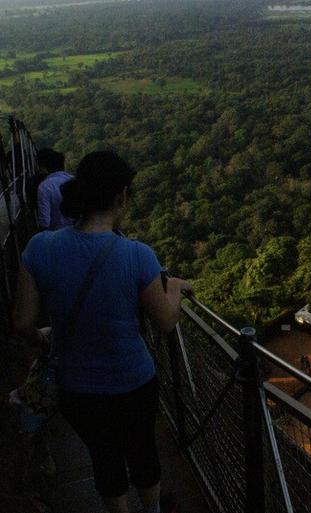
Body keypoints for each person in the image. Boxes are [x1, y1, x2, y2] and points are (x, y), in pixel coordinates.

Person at [13, 151, 192, 513]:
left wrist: (42, 337)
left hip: (76, 386)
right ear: (121, 197)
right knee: (142, 452)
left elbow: (21, 322)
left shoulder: (40, 248)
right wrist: (172, 287)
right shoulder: (138, 255)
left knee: (103, 457)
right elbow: (165, 322)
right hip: (133, 380)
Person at [34, 148, 73, 230]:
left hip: (55, 234)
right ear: (63, 164)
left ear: (46, 166)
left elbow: (45, 222)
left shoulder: (45, 186)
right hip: (77, 232)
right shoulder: (74, 181)